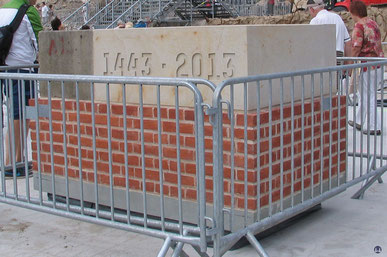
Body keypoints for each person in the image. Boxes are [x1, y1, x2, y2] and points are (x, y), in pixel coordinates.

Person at [0, 0, 43, 177]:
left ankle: (13, 160)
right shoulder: (29, 11)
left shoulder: (4, 9)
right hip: (23, 68)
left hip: (6, 68)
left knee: (15, 114)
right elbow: (42, 41)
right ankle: (14, 163)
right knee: (21, 115)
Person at [348, 0, 384, 135]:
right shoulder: (372, 22)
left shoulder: (359, 26)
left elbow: (356, 47)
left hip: (367, 66)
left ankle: (373, 125)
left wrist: (350, 65)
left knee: (369, 95)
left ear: (352, 12)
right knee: (366, 93)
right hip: (378, 63)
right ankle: (358, 120)